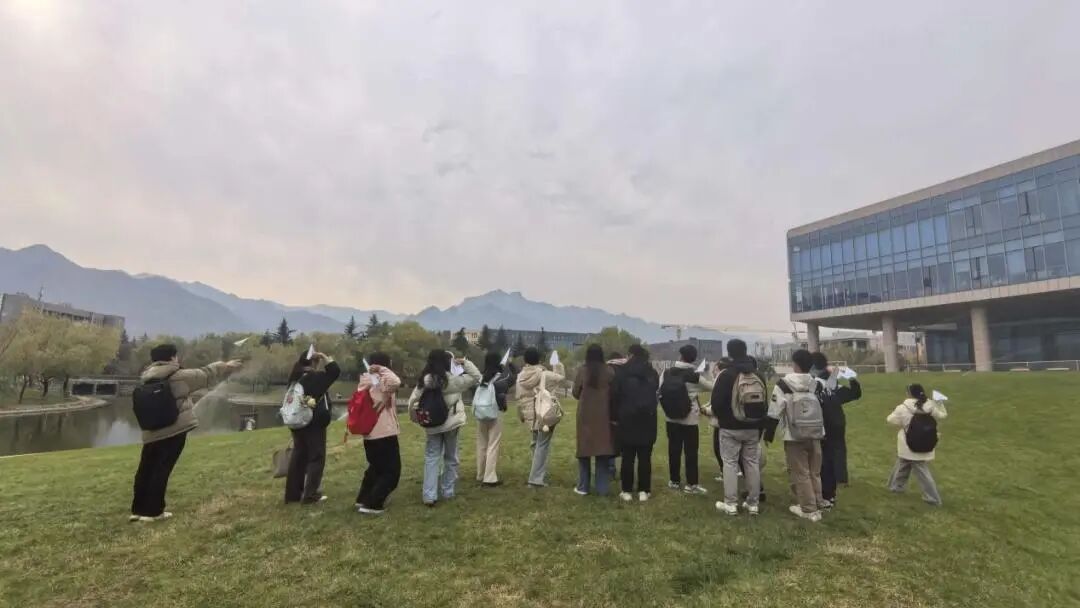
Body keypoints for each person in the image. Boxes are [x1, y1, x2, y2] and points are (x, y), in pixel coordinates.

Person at [131, 344, 242, 522]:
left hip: (151, 432)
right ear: (172, 358)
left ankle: (138, 510)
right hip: (173, 430)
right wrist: (226, 365)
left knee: (146, 469)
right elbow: (206, 373)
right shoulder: (179, 376)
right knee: (161, 470)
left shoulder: (146, 377)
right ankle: (153, 512)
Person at [409, 350, 481, 506]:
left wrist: (415, 418)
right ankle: (448, 491)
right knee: (451, 457)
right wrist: (465, 363)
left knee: (431, 458)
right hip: (451, 423)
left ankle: (429, 495)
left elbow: (413, 400)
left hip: (431, 424)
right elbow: (476, 377)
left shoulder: (424, 381)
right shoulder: (452, 381)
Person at [708, 339, 767, 516]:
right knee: (752, 463)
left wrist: (723, 418)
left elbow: (716, 403)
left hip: (730, 427)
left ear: (729, 353)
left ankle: (731, 503)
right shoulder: (758, 375)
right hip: (754, 426)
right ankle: (753, 503)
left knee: (730, 463)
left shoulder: (726, 375)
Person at [768, 349, 826, 522]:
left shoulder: (783, 384)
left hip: (794, 435)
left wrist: (768, 433)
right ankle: (818, 501)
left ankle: (808, 509)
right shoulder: (816, 383)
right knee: (814, 472)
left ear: (795, 364)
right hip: (816, 432)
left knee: (801, 473)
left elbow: (774, 410)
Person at [284, 350, 341, 505]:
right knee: (316, 457)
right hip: (312, 423)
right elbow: (335, 371)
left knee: (298, 457)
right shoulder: (314, 378)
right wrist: (325, 357)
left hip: (296, 423)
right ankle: (310, 495)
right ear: (314, 362)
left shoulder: (295, 377)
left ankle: (292, 495)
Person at [810, 352, 862, 508]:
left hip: (823, 424)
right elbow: (855, 393)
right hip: (838, 423)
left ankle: (824, 494)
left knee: (823, 461)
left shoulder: (815, 384)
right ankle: (833, 490)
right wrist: (851, 377)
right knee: (834, 457)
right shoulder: (832, 383)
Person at [354, 352, 402, 515]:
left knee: (375, 468)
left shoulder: (365, 380)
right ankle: (373, 504)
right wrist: (382, 369)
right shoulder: (379, 381)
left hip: (370, 433)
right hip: (384, 432)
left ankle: (363, 498)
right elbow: (395, 381)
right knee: (391, 471)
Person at [611, 344, 660, 503]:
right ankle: (644, 490)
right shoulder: (652, 373)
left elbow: (615, 395)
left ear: (630, 355)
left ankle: (626, 490)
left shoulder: (622, 373)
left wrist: (615, 416)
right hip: (647, 419)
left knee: (628, 457)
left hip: (627, 418)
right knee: (645, 457)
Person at [663, 344, 715, 495]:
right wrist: (708, 372)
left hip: (671, 417)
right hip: (689, 418)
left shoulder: (667, 372)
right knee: (691, 452)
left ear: (680, 356)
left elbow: (661, 390)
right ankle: (691, 484)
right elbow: (712, 387)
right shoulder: (694, 376)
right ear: (694, 359)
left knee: (673, 450)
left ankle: (674, 480)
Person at [887, 383, 947, 506]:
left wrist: (904, 422)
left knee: (921, 471)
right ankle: (895, 487)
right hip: (926, 442)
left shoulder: (903, 408)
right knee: (903, 463)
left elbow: (890, 419)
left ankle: (933, 498)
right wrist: (940, 403)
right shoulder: (930, 406)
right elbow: (942, 415)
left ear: (909, 393)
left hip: (907, 443)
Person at [515, 347, 566, 488]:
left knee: (535, 443)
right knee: (542, 445)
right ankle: (536, 479)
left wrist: (521, 414)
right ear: (539, 360)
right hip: (543, 414)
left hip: (529, 414)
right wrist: (556, 363)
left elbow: (518, 397)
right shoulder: (544, 374)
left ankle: (538, 472)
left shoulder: (520, 377)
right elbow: (560, 377)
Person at [572, 344, 616, 496]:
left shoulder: (582, 371)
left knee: (584, 452)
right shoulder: (609, 371)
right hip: (604, 415)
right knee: (602, 451)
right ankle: (602, 488)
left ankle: (583, 486)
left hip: (585, 415)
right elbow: (615, 393)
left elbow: (575, 392)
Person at [476, 352, 516, 487]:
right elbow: (514, 377)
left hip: (481, 413)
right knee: (493, 445)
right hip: (495, 413)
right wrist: (510, 364)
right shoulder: (502, 379)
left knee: (482, 444)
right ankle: (489, 477)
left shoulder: (480, 378)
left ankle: (480, 474)